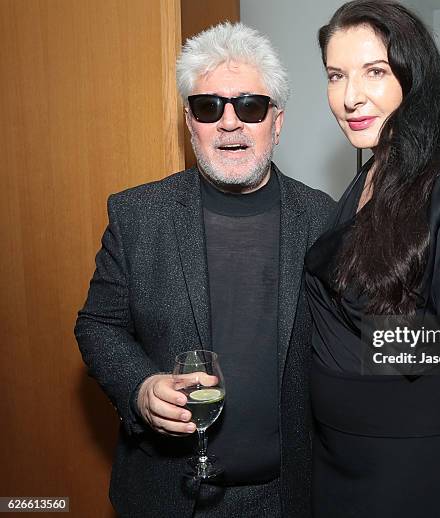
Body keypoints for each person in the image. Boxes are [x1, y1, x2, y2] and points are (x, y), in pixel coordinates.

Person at [75, 22, 334, 518]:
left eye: (250, 105)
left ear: (277, 122)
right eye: (208, 106)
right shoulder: (137, 215)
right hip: (165, 497)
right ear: (189, 122)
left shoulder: (324, 219)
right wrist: (140, 387)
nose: (229, 123)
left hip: (288, 499)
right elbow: (98, 324)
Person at [304, 1, 440, 517]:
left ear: (414, 75)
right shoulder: (371, 173)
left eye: (374, 72)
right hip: (336, 466)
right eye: (336, 76)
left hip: (406, 472)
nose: (350, 97)